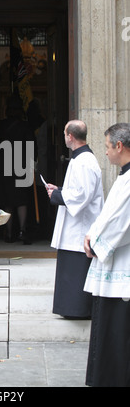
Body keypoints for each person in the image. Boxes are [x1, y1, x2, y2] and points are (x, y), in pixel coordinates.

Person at [84, 123, 130, 387]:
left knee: (117, 330)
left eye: (107, 146)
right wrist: (93, 233)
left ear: (119, 146)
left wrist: (95, 242)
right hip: (111, 261)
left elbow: (121, 223)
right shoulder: (123, 177)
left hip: (121, 264)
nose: (106, 152)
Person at [46, 120, 104, 319]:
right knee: (70, 270)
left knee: (76, 272)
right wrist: (60, 191)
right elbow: (78, 190)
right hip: (75, 227)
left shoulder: (85, 161)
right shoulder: (79, 159)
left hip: (81, 228)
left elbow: (83, 195)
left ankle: (77, 310)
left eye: (64, 134)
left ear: (70, 136)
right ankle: (70, 309)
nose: (64, 137)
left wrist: (57, 196)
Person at [0, 95, 35, 244]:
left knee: (7, 201)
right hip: (21, 165)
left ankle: (8, 232)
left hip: (4, 166)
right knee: (21, 200)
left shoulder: (1, 125)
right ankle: (22, 230)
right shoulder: (25, 126)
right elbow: (31, 147)